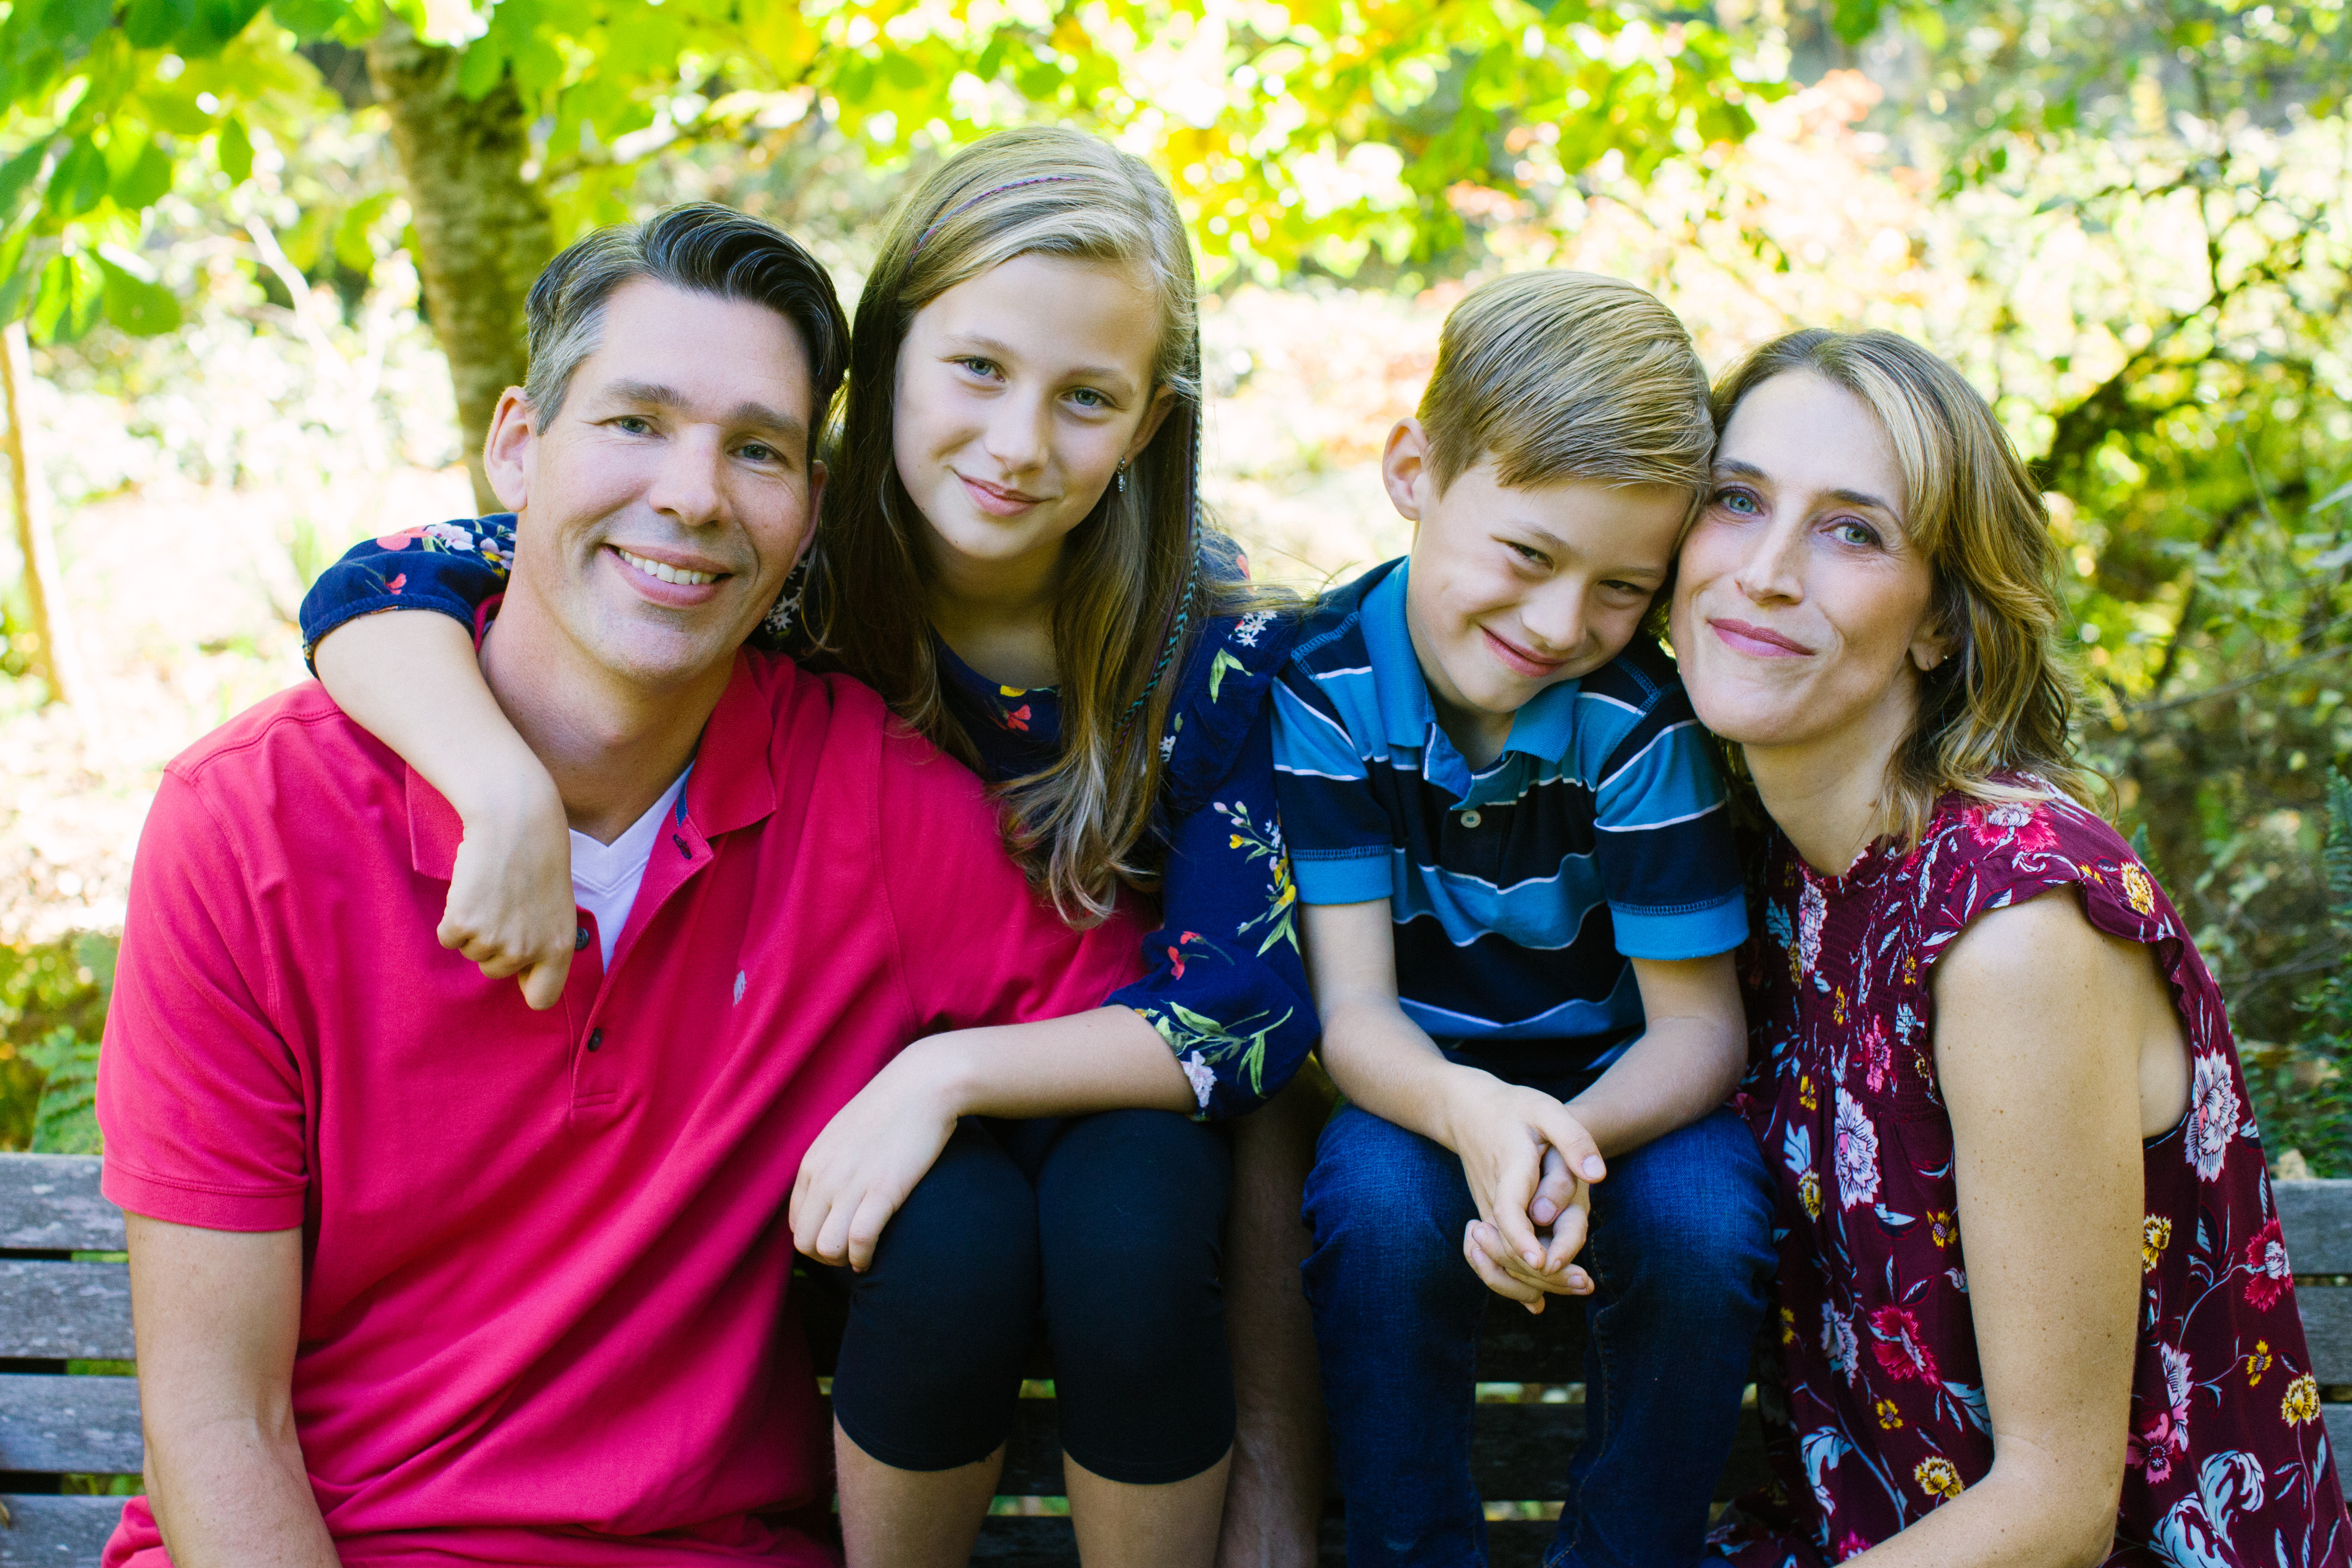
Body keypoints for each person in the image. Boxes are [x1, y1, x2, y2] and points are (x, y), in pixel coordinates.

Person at [296, 129, 1323, 1567]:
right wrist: (499, 788)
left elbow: (1247, 1005)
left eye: (1083, 398)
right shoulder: (776, 555)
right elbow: (387, 578)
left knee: (1133, 1215)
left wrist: (950, 1071)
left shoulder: (1207, 652)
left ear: (1147, 424)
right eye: (976, 369)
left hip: (1108, 1079)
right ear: (889, 355)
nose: (1020, 442)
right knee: (946, 1231)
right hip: (844, 1116)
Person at [95, 206, 1158, 1568]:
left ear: (809, 509)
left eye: (758, 449)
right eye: (636, 422)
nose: (696, 494)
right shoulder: (250, 826)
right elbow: (218, 1422)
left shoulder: (872, 809)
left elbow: (1188, 1020)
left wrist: (939, 1083)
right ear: (518, 445)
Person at [1670, 329, 2352, 1566]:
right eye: (1735, 499)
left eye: (1852, 530)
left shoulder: (2012, 924)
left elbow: (2054, 1511)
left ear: (1939, 623)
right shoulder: (1769, 878)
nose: (1763, 571)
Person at [1269, 270, 1777, 1568]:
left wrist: (1561, 1138)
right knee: (1373, 1210)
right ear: (1412, 469)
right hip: (1417, 1094)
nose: (1561, 624)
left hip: (1630, 1101)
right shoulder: (1322, 686)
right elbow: (1355, 1016)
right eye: (1527, 554)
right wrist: (1477, 1119)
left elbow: (1698, 1032)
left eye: (1622, 586)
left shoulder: (1636, 721)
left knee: (1709, 1223)